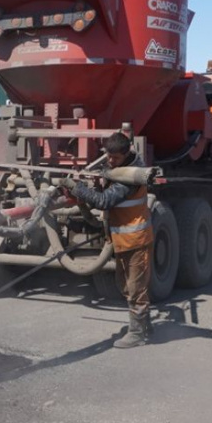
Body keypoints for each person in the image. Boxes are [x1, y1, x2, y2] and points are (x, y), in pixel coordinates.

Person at [60, 132, 154, 348]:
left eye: (115, 158)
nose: (110, 161)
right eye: (108, 157)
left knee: (135, 288)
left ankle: (137, 334)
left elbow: (104, 201)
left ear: (127, 152)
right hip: (123, 238)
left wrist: (78, 188)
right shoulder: (119, 168)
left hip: (136, 240)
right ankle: (147, 326)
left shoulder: (132, 176)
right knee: (127, 287)